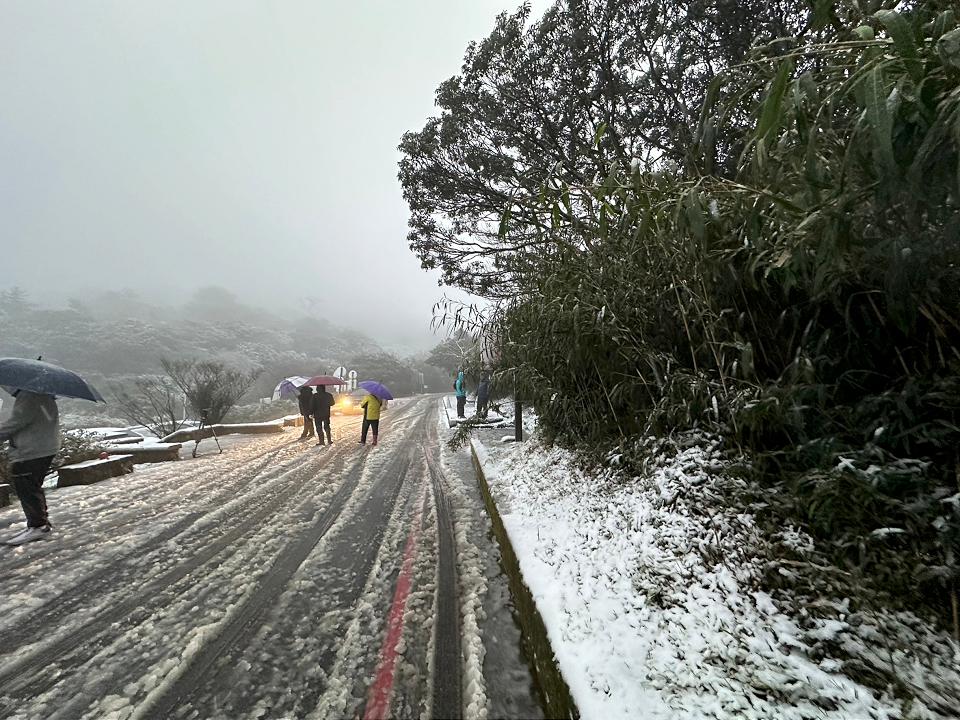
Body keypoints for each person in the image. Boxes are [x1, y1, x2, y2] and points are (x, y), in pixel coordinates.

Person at [0, 387, 60, 545]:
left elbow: (17, 422)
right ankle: (40, 523)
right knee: (32, 486)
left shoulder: (28, 394)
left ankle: (38, 525)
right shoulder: (44, 393)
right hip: (43, 447)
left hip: (31, 450)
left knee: (26, 486)